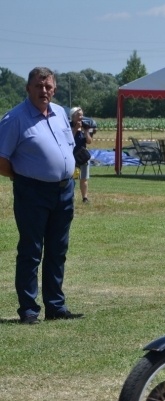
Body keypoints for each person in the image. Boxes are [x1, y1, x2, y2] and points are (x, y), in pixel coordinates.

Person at [0, 66, 83, 324]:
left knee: (58, 250)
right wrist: (22, 178)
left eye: (48, 86)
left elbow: (69, 146)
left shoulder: (59, 113)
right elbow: (2, 160)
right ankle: (28, 309)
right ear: (28, 89)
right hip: (32, 191)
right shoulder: (14, 119)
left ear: (54, 89)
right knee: (31, 251)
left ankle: (55, 306)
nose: (43, 91)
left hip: (64, 191)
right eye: (38, 86)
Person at [70, 107, 93, 203]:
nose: (81, 117)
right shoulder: (69, 126)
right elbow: (68, 139)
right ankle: (70, 197)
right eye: (78, 115)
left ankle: (85, 198)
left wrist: (86, 132)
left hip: (83, 156)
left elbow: (89, 141)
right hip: (72, 156)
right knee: (71, 179)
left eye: (82, 114)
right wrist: (75, 130)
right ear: (73, 116)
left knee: (84, 178)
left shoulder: (85, 126)